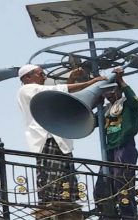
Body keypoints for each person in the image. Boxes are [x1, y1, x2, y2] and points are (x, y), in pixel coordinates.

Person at [17, 64, 105, 204]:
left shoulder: (39, 91)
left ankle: (67, 206)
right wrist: (89, 83)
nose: (44, 77)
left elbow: (61, 99)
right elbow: (54, 90)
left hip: (59, 138)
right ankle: (50, 206)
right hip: (47, 138)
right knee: (51, 179)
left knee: (65, 178)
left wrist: (71, 80)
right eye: (41, 74)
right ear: (27, 77)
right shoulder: (26, 90)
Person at [94, 66, 138, 219]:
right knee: (101, 189)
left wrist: (121, 80)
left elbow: (135, 100)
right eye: (105, 92)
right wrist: (95, 101)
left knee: (123, 187)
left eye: (111, 90)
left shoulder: (127, 104)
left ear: (118, 90)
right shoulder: (106, 110)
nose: (109, 95)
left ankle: (128, 216)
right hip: (110, 150)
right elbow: (89, 121)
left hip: (124, 148)